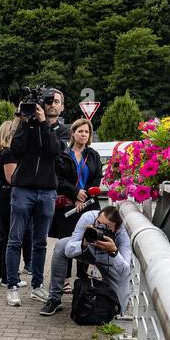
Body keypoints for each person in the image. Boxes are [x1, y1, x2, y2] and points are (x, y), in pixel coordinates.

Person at [4, 98, 61, 306]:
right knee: (15, 239)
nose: (52, 105)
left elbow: (54, 150)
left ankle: (37, 286)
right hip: (23, 189)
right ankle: (12, 286)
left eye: (56, 102)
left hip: (46, 190)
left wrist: (44, 123)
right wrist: (24, 120)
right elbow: (16, 149)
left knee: (40, 242)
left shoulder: (58, 129)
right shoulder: (25, 125)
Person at [39, 204, 132, 317]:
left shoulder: (123, 234)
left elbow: (125, 271)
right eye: (98, 223)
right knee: (61, 245)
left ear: (115, 229)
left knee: (120, 308)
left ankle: (111, 307)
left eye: (106, 227)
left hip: (109, 258)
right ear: (97, 217)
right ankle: (54, 299)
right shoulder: (88, 217)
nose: (100, 228)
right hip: (88, 250)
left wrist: (114, 251)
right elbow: (69, 250)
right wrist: (84, 244)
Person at [50, 118, 104, 292]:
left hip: (89, 204)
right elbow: (58, 178)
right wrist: (75, 193)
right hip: (68, 205)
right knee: (67, 241)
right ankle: (64, 280)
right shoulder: (63, 155)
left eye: (86, 132)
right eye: (80, 131)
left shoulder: (93, 155)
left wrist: (85, 194)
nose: (83, 134)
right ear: (73, 133)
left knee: (87, 241)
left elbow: (97, 177)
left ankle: (84, 278)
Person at [0, 117, 31, 286]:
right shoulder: (9, 153)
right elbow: (12, 178)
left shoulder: (1, 153)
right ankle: (7, 276)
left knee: (4, 237)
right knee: (10, 238)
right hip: (8, 198)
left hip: (2, 199)